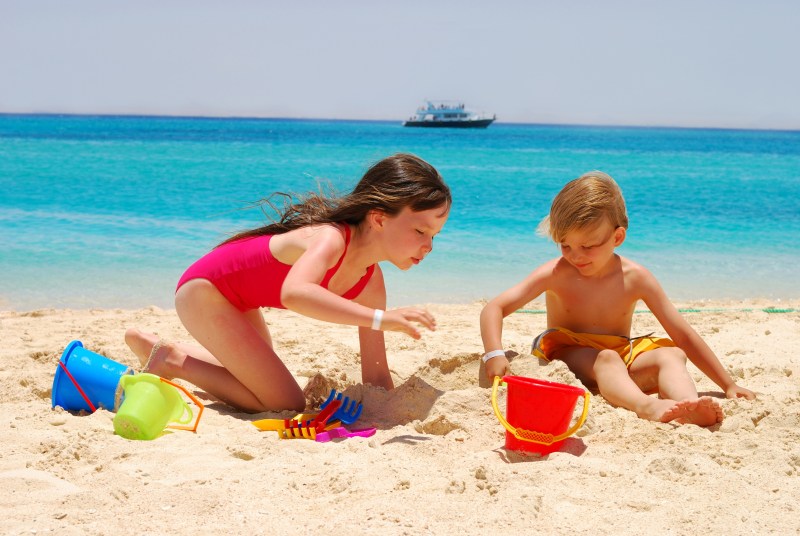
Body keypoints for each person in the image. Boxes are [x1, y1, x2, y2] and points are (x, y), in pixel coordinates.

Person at [125, 153, 451, 413]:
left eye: (434, 236)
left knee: (255, 377)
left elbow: (376, 375)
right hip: (206, 292)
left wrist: (390, 408)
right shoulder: (330, 239)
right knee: (285, 402)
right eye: (420, 231)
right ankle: (173, 361)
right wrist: (380, 318)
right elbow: (295, 293)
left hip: (240, 301)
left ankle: (157, 347)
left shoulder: (371, 281)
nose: (428, 246)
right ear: (379, 218)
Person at [479, 171, 755, 426]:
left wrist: (728, 384)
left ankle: (686, 406)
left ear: (618, 237)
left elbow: (682, 334)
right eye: (565, 245)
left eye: (587, 246)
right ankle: (645, 405)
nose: (575, 255)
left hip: (619, 361)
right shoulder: (556, 273)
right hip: (569, 354)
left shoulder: (636, 278)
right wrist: (494, 352)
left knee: (672, 354)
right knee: (607, 358)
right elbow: (495, 307)